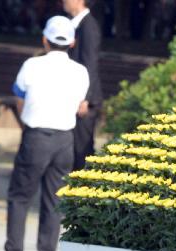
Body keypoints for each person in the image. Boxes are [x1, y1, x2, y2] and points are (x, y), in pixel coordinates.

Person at [0, 16, 89, 251]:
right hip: (65, 139)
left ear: (44, 39)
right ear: (72, 42)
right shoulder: (80, 72)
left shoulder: (31, 65)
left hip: (36, 136)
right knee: (54, 200)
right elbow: (81, 107)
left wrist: (26, 121)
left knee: (20, 197)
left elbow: (19, 97)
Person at [64, 0, 102, 169]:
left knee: (82, 150)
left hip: (85, 100)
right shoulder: (76, 25)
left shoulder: (88, 27)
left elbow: (90, 64)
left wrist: (85, 98)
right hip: (75, 96)